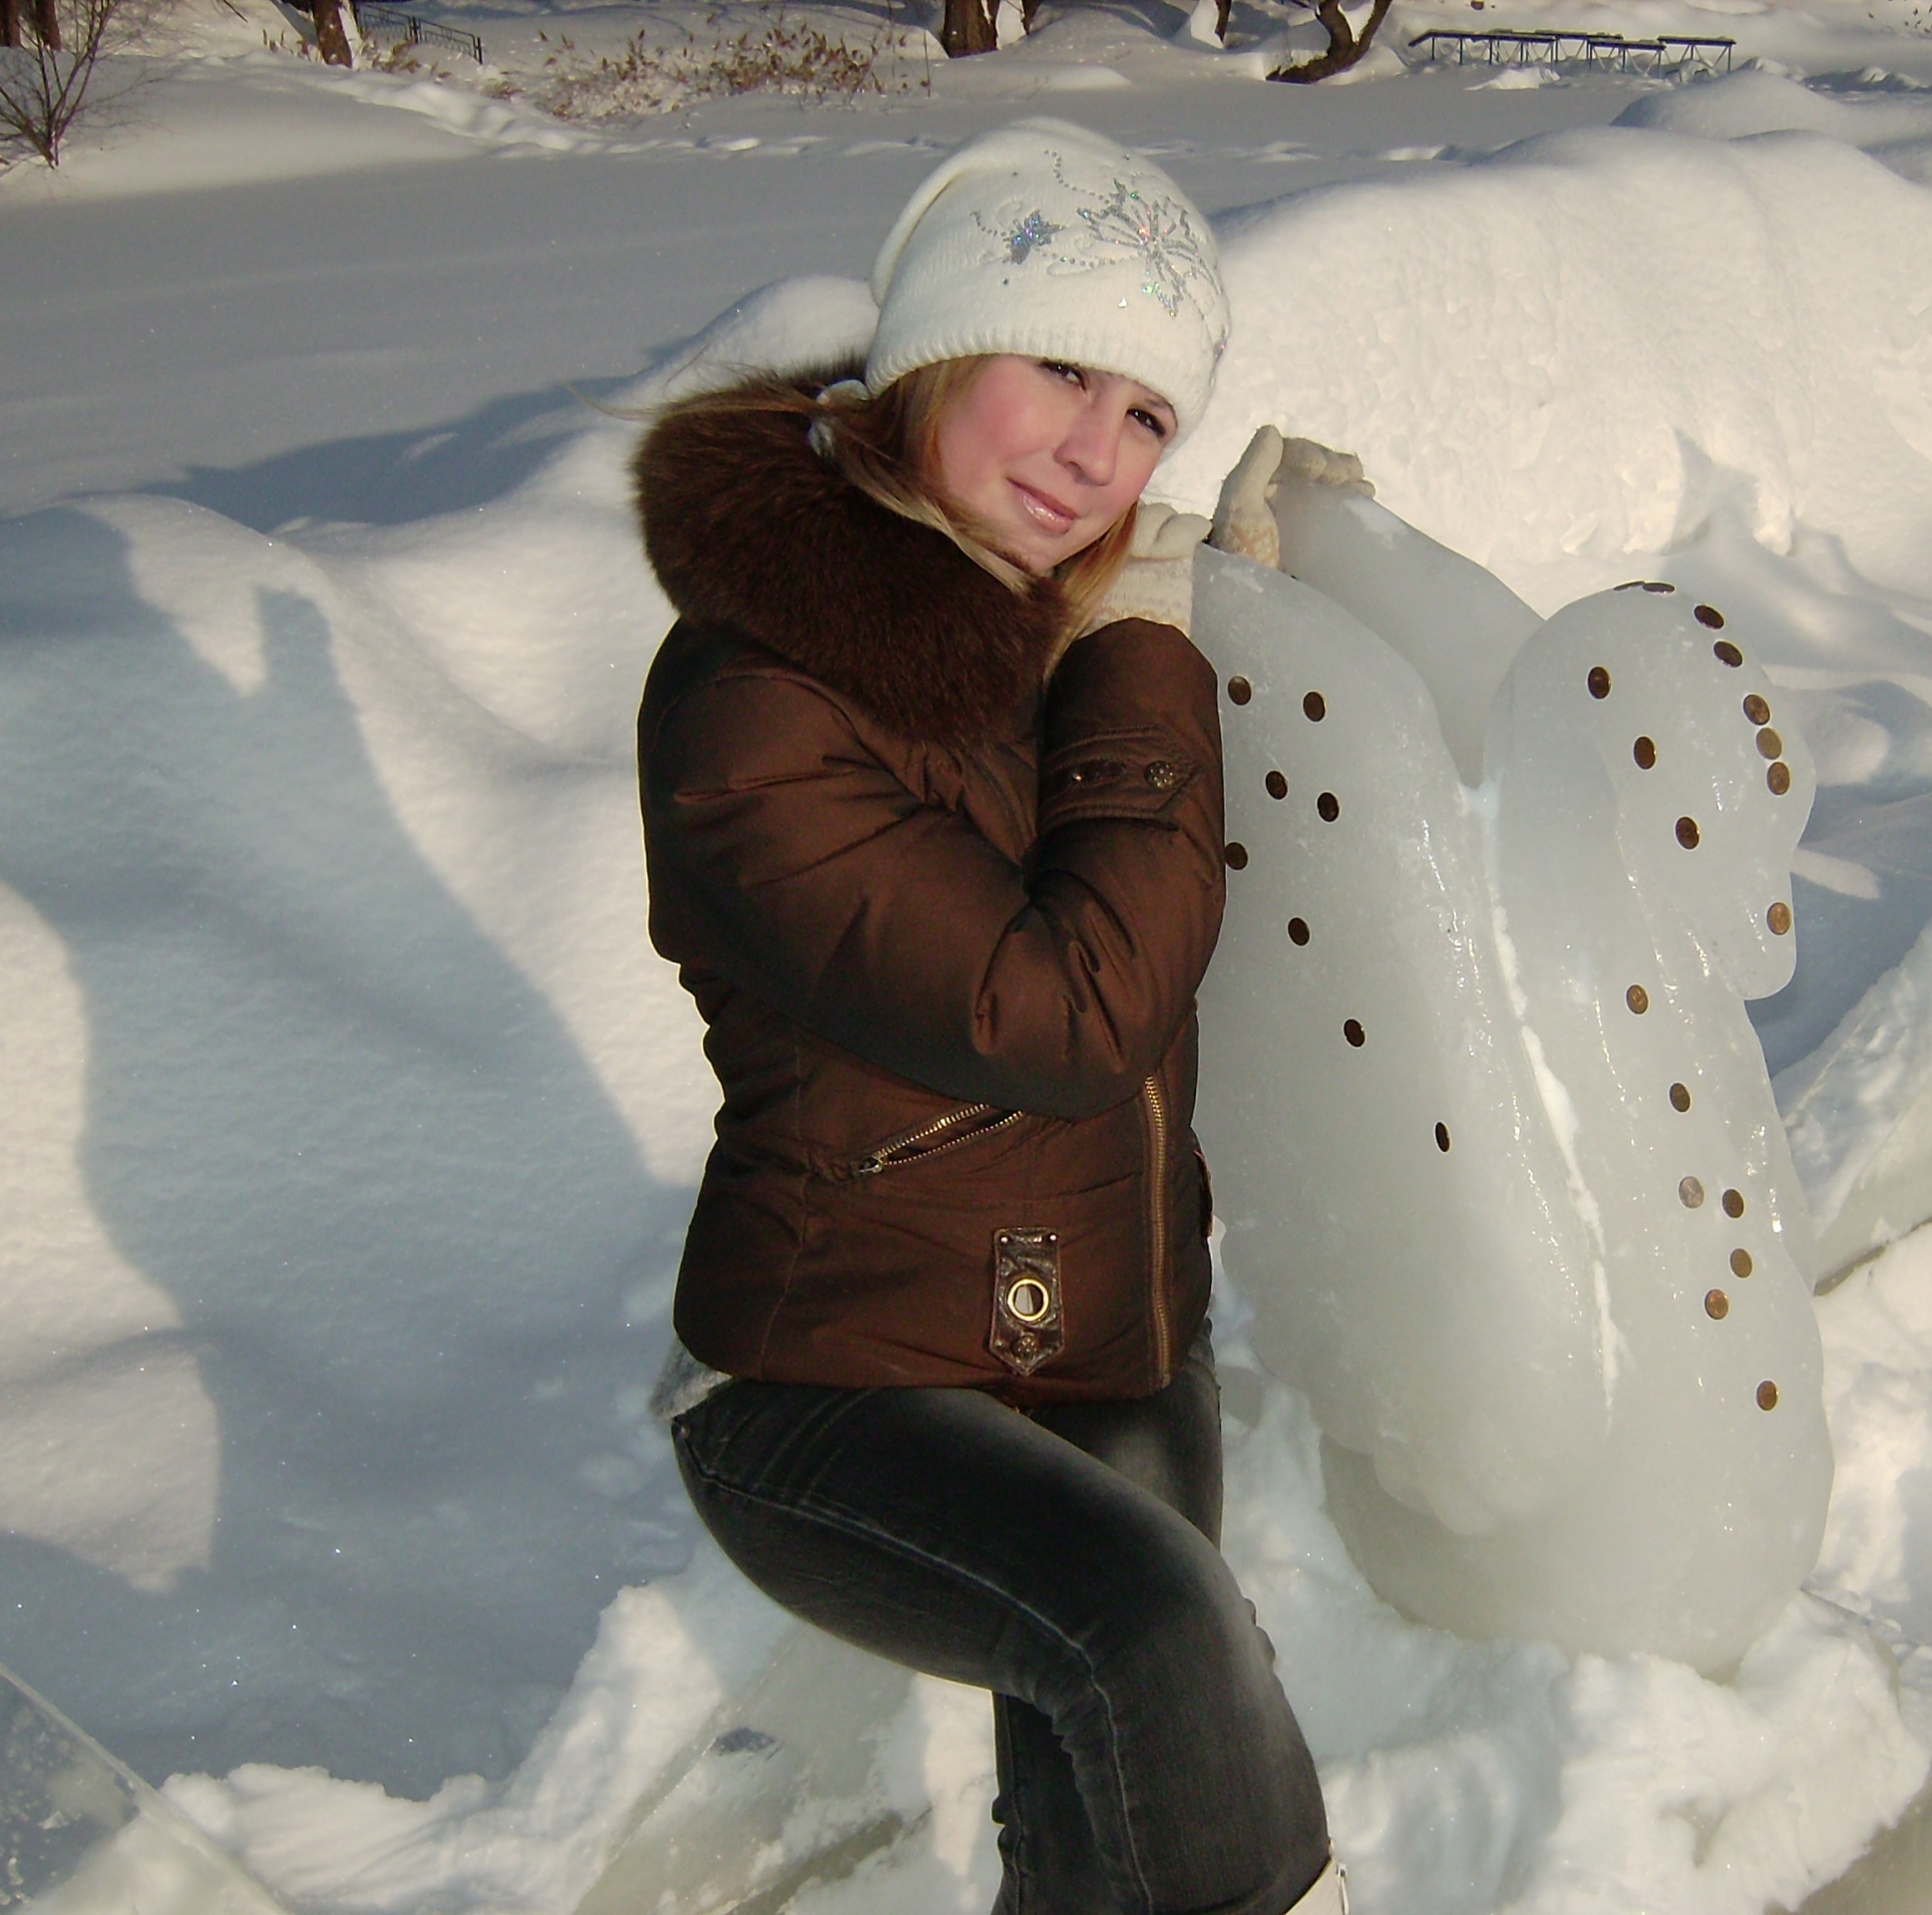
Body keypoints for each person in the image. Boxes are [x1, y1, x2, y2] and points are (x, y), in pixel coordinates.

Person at [630, 120, 1348, 1915]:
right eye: (1064, 371)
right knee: (1158, 1634)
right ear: (940, 347)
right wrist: (1150, 649)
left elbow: (1187, 902)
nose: (1099, 455)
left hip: (1111, 1324)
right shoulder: (755, 696)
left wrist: (1267, 618)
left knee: (1104, 1838)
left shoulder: (1053, 615)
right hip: (831, 1390)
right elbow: (1071, 1012)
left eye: (1149, 415)